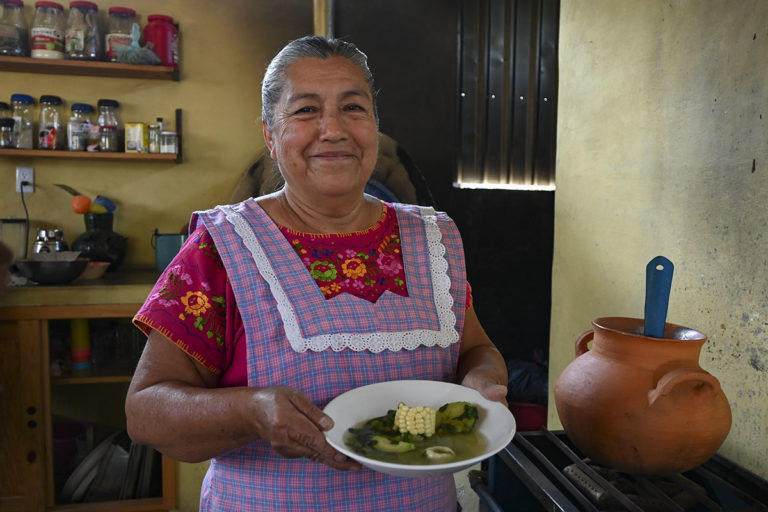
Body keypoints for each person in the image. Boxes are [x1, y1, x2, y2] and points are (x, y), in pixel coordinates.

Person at [125, 35, 508, 512]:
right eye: (306, 110)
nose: (333, 129)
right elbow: (145, 413)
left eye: (353, 107)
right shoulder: (221, 249)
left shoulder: (433, 239)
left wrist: (482, 385)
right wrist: (251, 411)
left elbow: (476, 349)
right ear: (270, 133)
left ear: (374, 124)